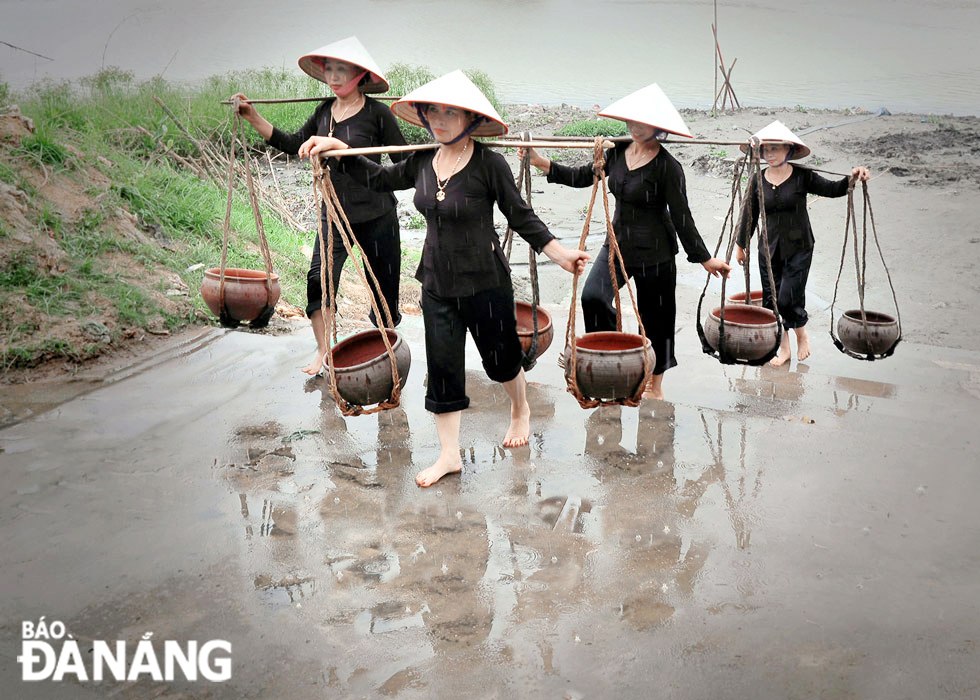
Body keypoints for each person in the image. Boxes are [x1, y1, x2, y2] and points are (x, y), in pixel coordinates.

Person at [299, 70, 590, 487]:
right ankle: (449, 455)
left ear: (470, 120)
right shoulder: (420, 160)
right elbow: (379, 178)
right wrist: (339, 150)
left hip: (485, 281)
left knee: (502, 362)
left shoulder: (489, 164)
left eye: (450, 112)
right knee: (443, 368)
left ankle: (520, 408)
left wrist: (560, 255)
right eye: (432, 110)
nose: (439, 119)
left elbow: (520, 216)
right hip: (435, 282)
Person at [522, 84, 730, 400]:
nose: (634, 127)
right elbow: (581, 176)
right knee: (592, 296)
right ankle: (611, 356)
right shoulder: (616, 154)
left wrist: (705, 259)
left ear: (658, 128)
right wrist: (540, 162)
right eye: (630, 121)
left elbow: (682, 217)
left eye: (642, 123)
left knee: (656, 320)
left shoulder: (667, 168)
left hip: (656, 252)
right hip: (617, 247)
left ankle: (655, 384)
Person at [232, 36, 408, 375]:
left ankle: (385, 353)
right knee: (318, 282)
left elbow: (403, 165)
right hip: (334, 216)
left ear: (360, 76)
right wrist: (253, 117)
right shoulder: (324, 111)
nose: (335, 76)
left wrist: (340, 147)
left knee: (384, 294)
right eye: (330, 69)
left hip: (378, 216)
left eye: (343, 70)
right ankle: (324, 352)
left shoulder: (378, 114)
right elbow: (293, 144)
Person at [734, 121, 870, 366]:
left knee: (788, 297)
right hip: (768, 248)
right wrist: (741, 246)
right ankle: (783, 348)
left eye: (776, 148)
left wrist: (853, 177)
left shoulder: (802, 176)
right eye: (766, 149)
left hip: (799, 247)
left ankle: (802, 334)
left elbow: (833, 189)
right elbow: (749, 214)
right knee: (771, 300)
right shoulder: (757, 179)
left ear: (789, 149)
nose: (771, 153)